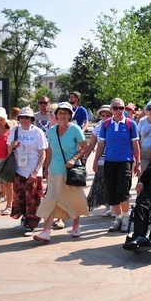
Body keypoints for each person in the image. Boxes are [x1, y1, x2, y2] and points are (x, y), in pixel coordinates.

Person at [34, 102, 89, 242]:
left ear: (70, 115)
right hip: (55, 170)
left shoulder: (75, 129)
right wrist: (46, 168)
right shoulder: (51, 131)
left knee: (74, 198)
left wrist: (74, 159)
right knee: (51, 198)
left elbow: (84, 147)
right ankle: (46, 231)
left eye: (65, 113)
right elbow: (50, 150)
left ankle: (76, 226)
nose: (62, 115)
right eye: (60, 112)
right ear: (56, 115)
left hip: (71, 171)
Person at [92, 98, 141, 233]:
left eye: (121, 108)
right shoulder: (106, 124)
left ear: (124, 109)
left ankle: (126, 218)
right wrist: (95, 161)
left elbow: (135, 144)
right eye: (116, 108)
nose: (119, 111)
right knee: (112, 192)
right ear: (111, 110)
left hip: (125, 161)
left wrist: (138, 162)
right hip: (109, 162)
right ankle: (118, 218)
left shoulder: (131, 124)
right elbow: (101, 144)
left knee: (123, 191)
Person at [7, 107, 48, 237]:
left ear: (31, 119)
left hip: (33, 171)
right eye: (22, 117)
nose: (25, 120)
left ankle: (31, 225)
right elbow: (9, 152)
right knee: (20, 198)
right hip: (19, 171)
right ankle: (25, 217)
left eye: (27, 118)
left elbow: (43, 154)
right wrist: (12, 145)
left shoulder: (38, 132)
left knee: (33, 199)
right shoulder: (14, 131)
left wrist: (36, 171)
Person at [84, 105, 112, 214]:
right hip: (101, 160)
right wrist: (86, 157)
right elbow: (91, 145)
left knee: (111, 183)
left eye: (107, 115)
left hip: (113, 159)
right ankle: (107, 205)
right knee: (102, 184)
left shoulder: (114, 125)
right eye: (103, 115)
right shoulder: (98, 127)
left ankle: (112, 207)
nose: (105, 117)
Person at [137, 101, 151, 172]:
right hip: (144, 149)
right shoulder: (142, 121)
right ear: (146, 111)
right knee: (144, 172)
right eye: (149, 109)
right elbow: (137, 137)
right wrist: (138, 151)